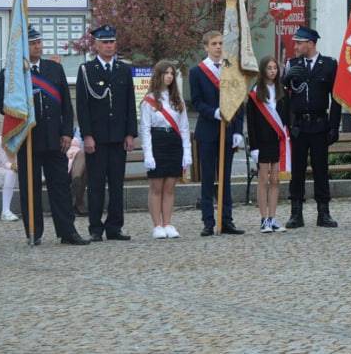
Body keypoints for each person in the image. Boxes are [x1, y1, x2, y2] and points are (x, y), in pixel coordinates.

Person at [0, 26, 89, 246]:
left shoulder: (53, 69)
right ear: (23, 46)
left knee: (60, 187)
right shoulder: (12, 74)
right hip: (28, 139)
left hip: (55, 139)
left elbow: (67, 105)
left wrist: (67, 132)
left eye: (39, 42)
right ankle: (34, 232)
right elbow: (4, 105)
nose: (37, 46)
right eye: (32, 43)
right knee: (31, 189)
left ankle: (67, 231)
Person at [76, 25, 137, 242]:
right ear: (96, 45)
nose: (109, 46)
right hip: (98, 138)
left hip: (118, 136)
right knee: (96, 185)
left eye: (112, 42)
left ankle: (115, 227)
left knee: (117, 184)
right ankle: (95, 227)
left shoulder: (123, 70)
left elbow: (130, 103)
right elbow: (82, 107)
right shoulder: (87, 70)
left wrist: (130, 133)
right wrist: (87, 135)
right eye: (105, 43)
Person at [283, 26, 342, 229]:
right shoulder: (291, 64)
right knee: (297, 171)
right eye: (296, 42)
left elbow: (336, 98)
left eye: (300, 42)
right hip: (299, 125)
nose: (296, 46)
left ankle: (323, 213)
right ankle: (296, 213)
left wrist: (334, 126)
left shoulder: (329, 65)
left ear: (311, 43)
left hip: (319, 124)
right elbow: (284, 98)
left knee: (320, 170)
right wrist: (285, 82)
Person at [189, 31, 245, 236]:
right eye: (214, 44)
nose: (218, 47)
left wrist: (238, 129)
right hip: (208, 131)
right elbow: (196, 102)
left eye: (221, 43)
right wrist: (214, 112)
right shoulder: (197, 72)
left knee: (226, 178)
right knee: (207, 178)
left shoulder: (231, 69)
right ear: (206, 47)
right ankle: (208, 222)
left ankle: (227, 219)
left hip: (228, 130)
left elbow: (239, 100)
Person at [141, 60, 191, 239]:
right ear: (158, 75)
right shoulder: (149, 100)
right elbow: (145, 129)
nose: (169, 76)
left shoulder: (178, 100)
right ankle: (157, 225)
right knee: (156, 187)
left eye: (172, 73)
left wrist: (187, 152)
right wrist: (148, 154)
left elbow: (184, 128)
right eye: (166, 73)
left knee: (170, 186)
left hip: (174, 142)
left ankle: (168, 222)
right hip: (157, 141)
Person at [247, 56, 290, 233]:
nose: (273, 71)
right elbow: (251, 122)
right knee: (263, 180)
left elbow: (286, 117)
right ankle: (263, 219)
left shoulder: (282, 91)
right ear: (263, 70)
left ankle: (272, 218)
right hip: (262, 142)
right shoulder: (255, 93)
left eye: (275, 68)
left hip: (277, 141)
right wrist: (254, 147)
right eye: (269, 68)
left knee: (275, 180)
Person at [0, 135, 19, 222]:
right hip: (2, 168)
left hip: (19, 168)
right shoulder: (1, 140)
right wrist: (16, 167)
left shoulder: (23, 137)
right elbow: (5, 162)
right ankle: (5, 211)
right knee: (11, 173)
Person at [67, 129, 87, 216]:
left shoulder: (82, 130)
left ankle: (76, 181)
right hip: (63, 163)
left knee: (83, 154)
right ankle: (79, 203)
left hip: (80, 165)